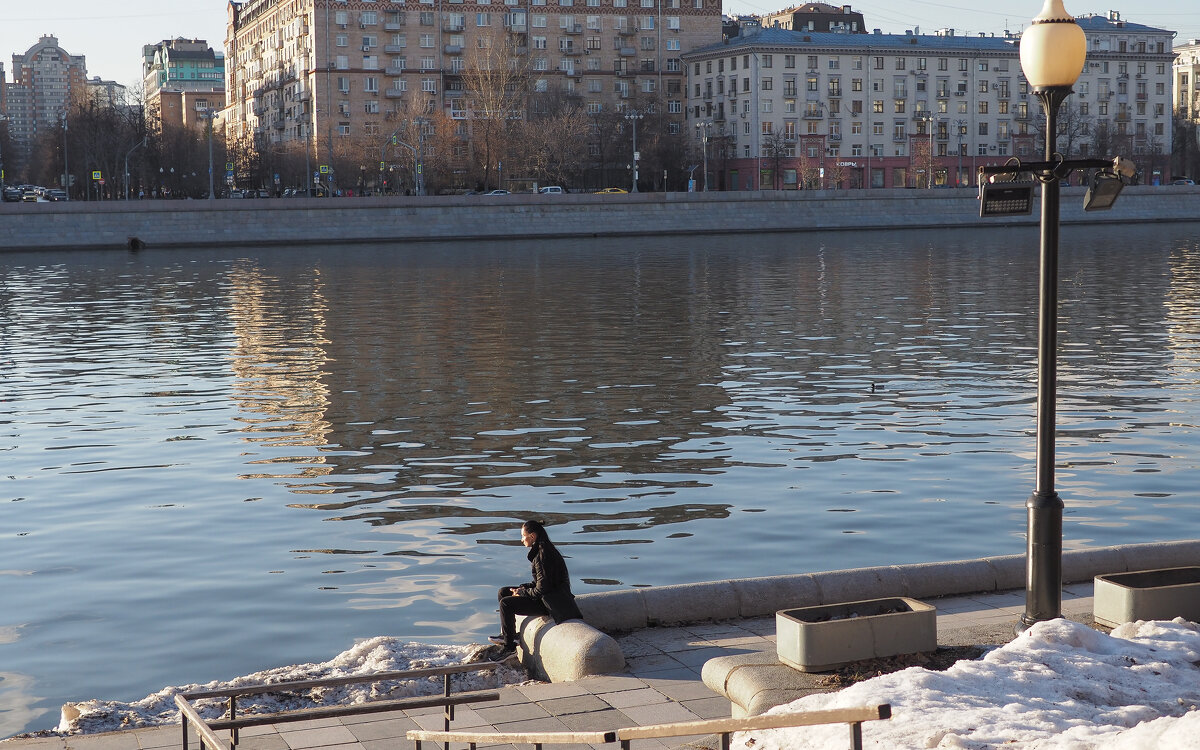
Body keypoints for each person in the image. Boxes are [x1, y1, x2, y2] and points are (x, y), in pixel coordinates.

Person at [490, 520, 582, 658]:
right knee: (504, 592)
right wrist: (524, 588)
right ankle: (509, 636)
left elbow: (542, 589)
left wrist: (522, 592)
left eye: (523, 536)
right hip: (547, 596)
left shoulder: (543, 555)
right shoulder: (542, 550)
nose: (521, 540)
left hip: (551, 604)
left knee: (506, 604)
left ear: (532, 536)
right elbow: (541, 582)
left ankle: (509, 648)